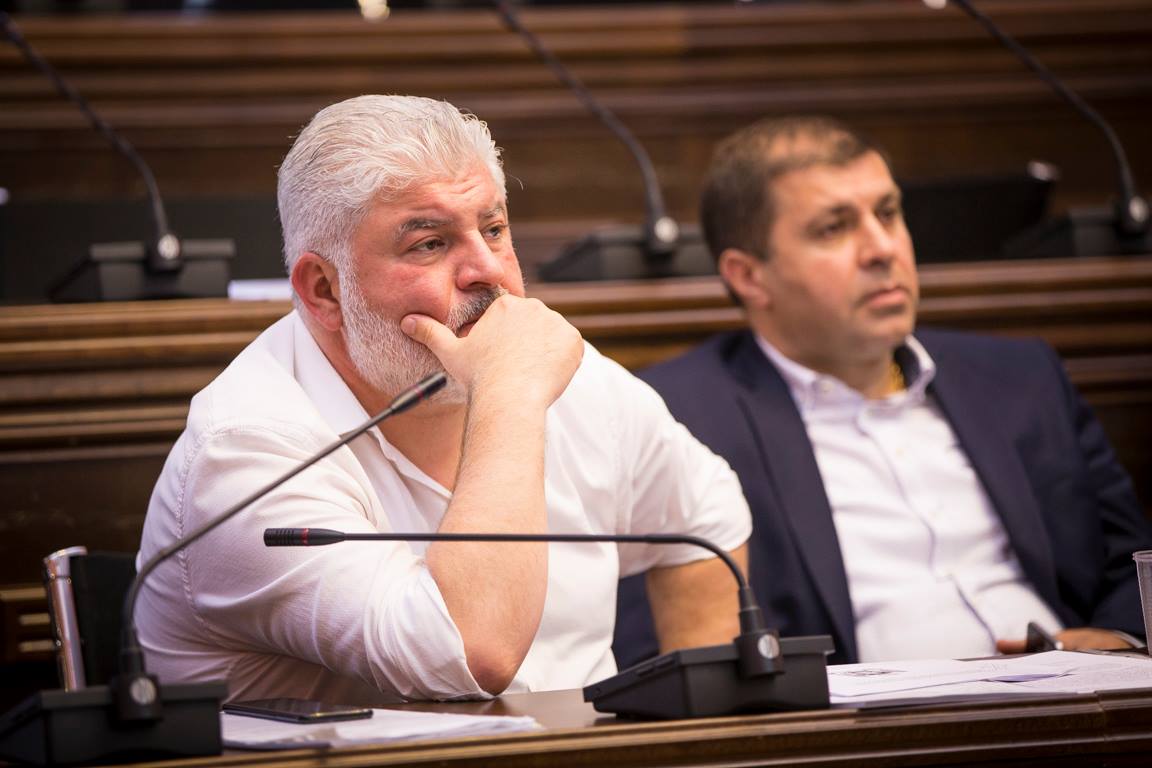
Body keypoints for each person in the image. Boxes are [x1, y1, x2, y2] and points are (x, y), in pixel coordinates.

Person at [136, 94, 751, 704]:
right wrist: (508, 397)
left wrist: (693, 730)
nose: (489, 272)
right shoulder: (244, 455)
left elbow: (705, 512)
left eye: (494, 229)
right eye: (429, 243)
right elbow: (469, 654)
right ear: (324, 290)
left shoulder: (565, 377)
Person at [615, 115, 1152, 667]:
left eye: (889, 213)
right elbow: (656, 650)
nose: (882, 248)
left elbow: (1134, 565)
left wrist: (1120, 640)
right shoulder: (678, 417)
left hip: (1080, 698)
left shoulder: (1021, 376)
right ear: (749, 276)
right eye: (834, 228)